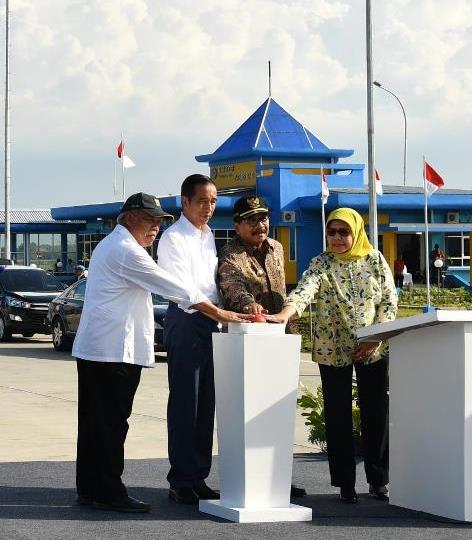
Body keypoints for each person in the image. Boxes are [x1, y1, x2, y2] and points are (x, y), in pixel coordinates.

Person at [72, 192, 248, 513]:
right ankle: (108, 490)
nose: (156, 228)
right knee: (111, 424)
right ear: (129, 219)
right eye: (150, 220)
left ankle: (91, 487)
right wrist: (223, 314)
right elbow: (172, 287)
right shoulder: (126, 251)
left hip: (102, 349)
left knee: (97, 424)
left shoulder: (118, 246)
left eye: (159, 222)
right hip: (112, 352)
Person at [272, 208, 397, 504]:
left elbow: (389, 302)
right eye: (332, 232)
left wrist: (375, 338)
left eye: (344, 232)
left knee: (376, 413)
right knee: (337, 415)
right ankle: (345, 484)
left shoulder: (375, 260)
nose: (338, 238)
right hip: (332, 348)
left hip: (373, 348)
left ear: (356, 233)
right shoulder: (321, 263)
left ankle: (379, 481)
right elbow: (304, 291)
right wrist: (285, 314)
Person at [158, 174, 251, 505]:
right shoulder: (173, 238)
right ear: (185, 202)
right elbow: (184, 289)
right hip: (187, 320)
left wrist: (228, 312)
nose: (208, 208)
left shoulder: (209, 235)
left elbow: (213, 284)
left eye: (213, 202)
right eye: (202, 201)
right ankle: (180, 479)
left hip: (211, 321)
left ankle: (198, 476)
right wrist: (220, 314)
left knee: (206, 403)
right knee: (186, 402)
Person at [217, 195, 306, 498]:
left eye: (264, 218)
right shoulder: (230, 254)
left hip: (279, 341)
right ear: (237, 224)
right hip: (249, 341)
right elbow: (232, 288)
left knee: (278, 411)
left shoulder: (277, 248)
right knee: (252, 413)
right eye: (252, 220)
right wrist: (253, 308)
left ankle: (277, 476)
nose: (260, 225)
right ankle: (252, 478)